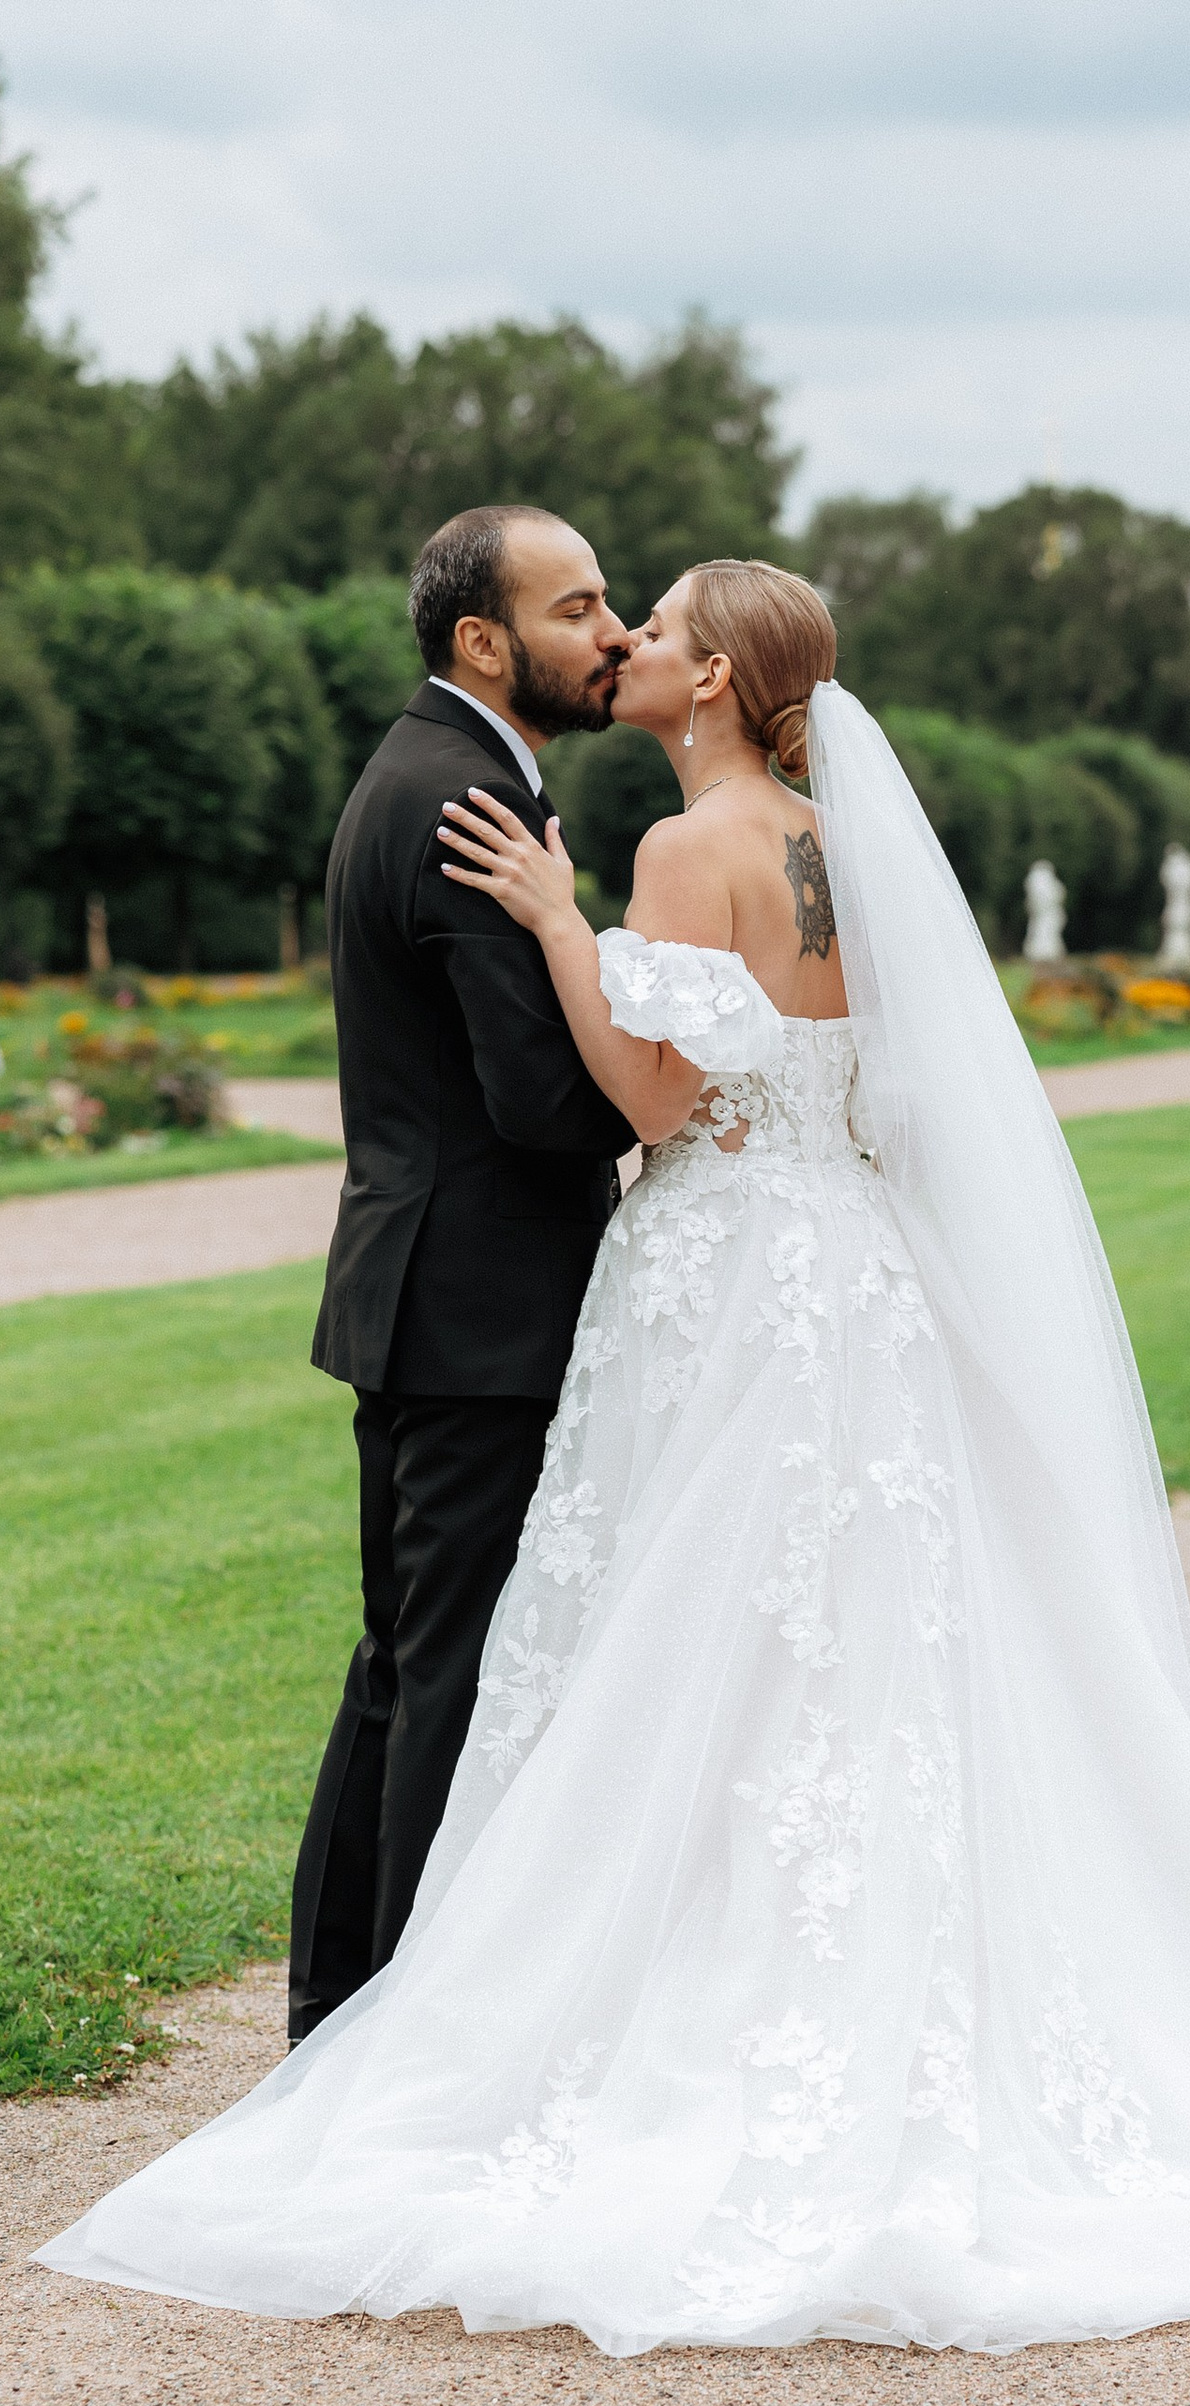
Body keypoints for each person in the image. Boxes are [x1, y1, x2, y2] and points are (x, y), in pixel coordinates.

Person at [38, 561, 1190, 2356]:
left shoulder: (683, 852)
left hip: (721, 1273)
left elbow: (658, 1101)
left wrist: (561, 921)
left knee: (691, 1625)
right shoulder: (843, 847)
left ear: (710, 682)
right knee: (857, 1632)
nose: (627, 641)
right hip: (854, 1275)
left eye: (659, 624)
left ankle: (644, 1986)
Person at [291, 506, 634, 2045]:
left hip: (434, 1297)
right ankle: (406, 2039)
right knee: (454, 1672)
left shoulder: (438, 774)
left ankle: (342, 2014)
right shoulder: (465, 805)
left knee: (412, 1659)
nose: (612, 632)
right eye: (580, 608)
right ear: (485, 641)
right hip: (481, 1309)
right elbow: (542, 1104)